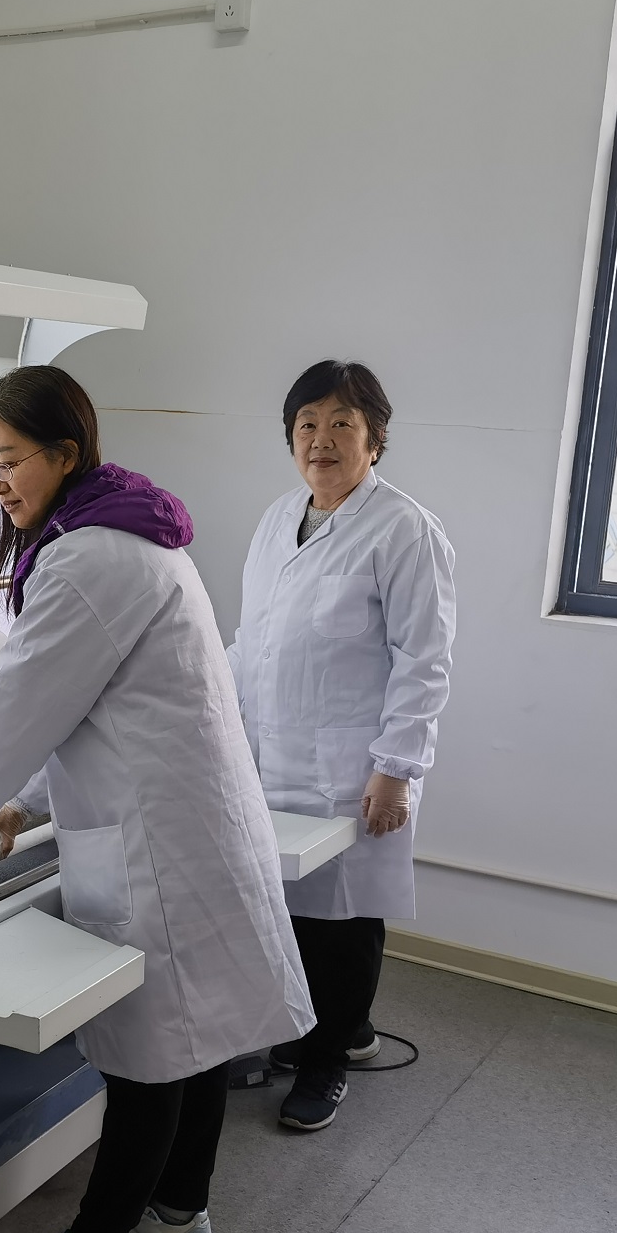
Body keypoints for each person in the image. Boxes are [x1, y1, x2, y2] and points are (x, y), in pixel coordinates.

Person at [0, 365, 313, 1233]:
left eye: (11, 459)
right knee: (197, 1036)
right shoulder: (127, 535)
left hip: (162, 837)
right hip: (187, 819)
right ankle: (179, 1215)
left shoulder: (87, 560)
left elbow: (21, 702)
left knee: (153, 1051)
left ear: (66, 452)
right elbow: (100, 704)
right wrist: (20, 802)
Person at [229, 360, 455, 1133]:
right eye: (307, 424)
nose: (320, 440)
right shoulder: (277, 519)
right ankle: (327, 1030)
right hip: (272, 754)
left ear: (375, 438)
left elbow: (425, 660)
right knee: (287, 908)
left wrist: (396, 769)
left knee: (345, 919)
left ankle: (328, 1061)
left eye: (341, 424)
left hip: (352, 765)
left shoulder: (404, 529)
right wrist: (210, 706)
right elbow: (252, 640)